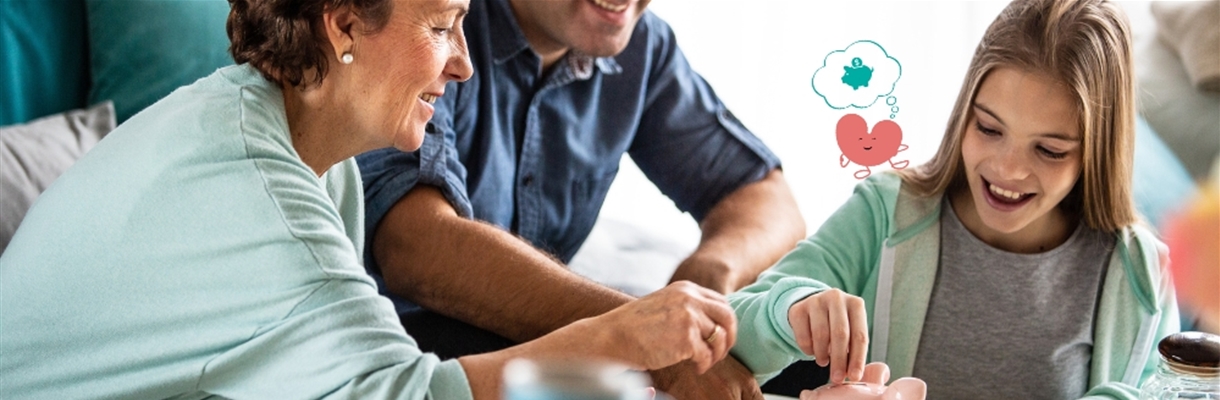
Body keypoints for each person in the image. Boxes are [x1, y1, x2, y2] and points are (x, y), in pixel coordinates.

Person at [0, 0, 741, 397]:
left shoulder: (266, 128)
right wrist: (621, 333)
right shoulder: (265, 195)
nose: (463, 64)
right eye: (444, 27)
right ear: (346, 23)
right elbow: (414, 396)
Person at [728, 0, 1180, 399]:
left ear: (1097, 150)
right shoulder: (884, 215)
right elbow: (725, 332)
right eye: (988, 128)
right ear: (965, 113)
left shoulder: (1139, 274)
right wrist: (788, 312)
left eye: (1049, 150)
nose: (1007, 170)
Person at [354, 0, 804, 397]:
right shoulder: (437, 24)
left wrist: (709, 275)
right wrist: (640, 335)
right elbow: (415, 246)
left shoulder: (641, 47)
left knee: (802, 360)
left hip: (552, 337)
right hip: (403, 338)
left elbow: (767, 200)